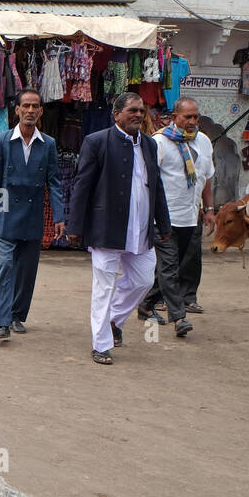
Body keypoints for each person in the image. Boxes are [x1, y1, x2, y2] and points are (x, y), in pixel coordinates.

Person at [65, 92, 173, 365]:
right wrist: (75, 225)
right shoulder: (97, 142)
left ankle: (114, 319)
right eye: (132, 110)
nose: (138, 114)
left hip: (141, 229)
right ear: (116, 115)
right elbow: (82, 186)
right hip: (106, 229)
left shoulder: (149, 144)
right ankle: (101, 344)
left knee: (144, 280)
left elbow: (156, 186)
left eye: (141, 110)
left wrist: (164, 222)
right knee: (104, 287)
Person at [0, 89, 64, 339]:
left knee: (27, 270)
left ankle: (18, 315)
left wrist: (59, 217)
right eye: (26, 106)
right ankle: (1, 321)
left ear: (41, 111)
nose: (30, 110)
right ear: (17, 110)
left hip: (33, 213)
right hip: (7, 212)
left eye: (35, 106)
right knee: (6, 266)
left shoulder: (48, 144)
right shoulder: (2, 141)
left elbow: (54, 183)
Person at [137, 97, 214, 335]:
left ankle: (146, 304)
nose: (192, 121)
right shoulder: (159, 142)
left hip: (191, 215)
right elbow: (145, 180)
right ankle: (179, 318)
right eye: (187, 117)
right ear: (174, 118)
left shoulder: (203, 141)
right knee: (169, 267)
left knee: (176, 267)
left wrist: (210, 209)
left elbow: (206, 178)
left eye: (195, 117)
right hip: (165, 217)